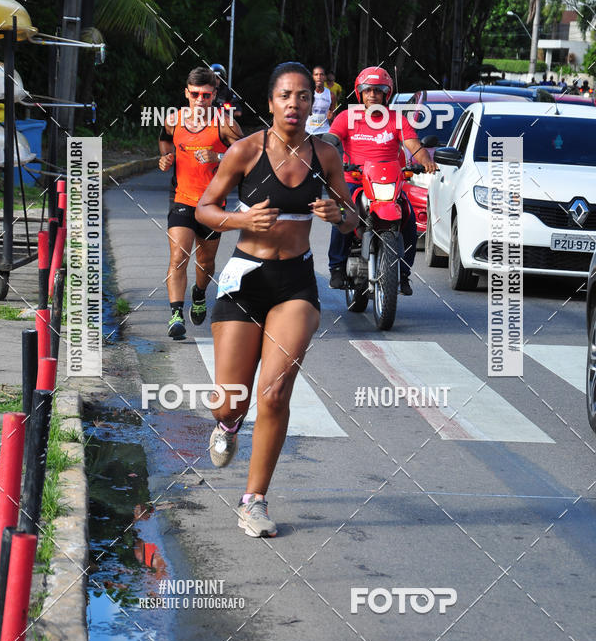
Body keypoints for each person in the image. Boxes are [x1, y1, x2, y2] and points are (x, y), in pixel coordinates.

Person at [195, 62, 356, 537]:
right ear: (270, 103)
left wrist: (338, 212)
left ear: (313, 102)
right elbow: (205, 206)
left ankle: (254, 501)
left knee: (275, 392)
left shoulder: (326, 154)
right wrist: (242, 222)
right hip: (244, 279)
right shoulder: (245, 151)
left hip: (296, 285)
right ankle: (226, 427)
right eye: (285, 95)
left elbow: (351, 219)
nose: (294, 103)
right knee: (231, 402)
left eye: (303, 95)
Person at [327, 66, 437, 294]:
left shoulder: (397, 120)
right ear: (360, 93)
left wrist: (426, 161)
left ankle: (403, 273)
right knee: (343, 214)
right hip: (355, 179)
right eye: (367, 90)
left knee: (408, 218)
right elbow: (331, 140)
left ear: (386, 94)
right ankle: (336, 267)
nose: (372, 95)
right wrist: (325, 151)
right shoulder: (347, 117)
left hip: (387, 182)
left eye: (378, 90)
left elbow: (414, 146)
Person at [159, 67, 243, 339]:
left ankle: (199, 293)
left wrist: (219, 159)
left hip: (211, 204)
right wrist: (166, 158)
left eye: (206, 95)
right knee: (178, 255)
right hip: (181, 198)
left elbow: (246, 154)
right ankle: (175, 314)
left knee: (205, 262)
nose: (199, 100)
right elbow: (164, 140)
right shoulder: (173, 120)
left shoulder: (224, 123)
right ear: (186, 93)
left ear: (214, 95)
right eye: (195, 94)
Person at [305, 65, 337, 136]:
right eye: (316, 74)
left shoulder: (331, 95)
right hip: (307, 131)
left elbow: (333, 115)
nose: (319, 77)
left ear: (325, 77)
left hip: (324, 132)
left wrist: (331, 117)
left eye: (321, 74)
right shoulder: (306, 94)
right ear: (312, 77)